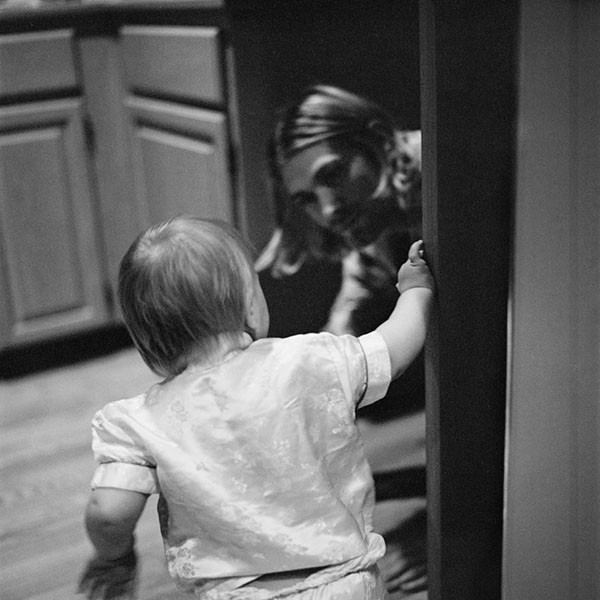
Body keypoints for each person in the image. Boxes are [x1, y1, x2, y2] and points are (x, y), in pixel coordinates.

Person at [78, 215, 434, 600]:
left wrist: (114, 558)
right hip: (344, 584)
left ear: (146, 342)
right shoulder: (311, 361)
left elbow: (109, 512)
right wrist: (416, 292)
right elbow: (391, 351)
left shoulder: (140, 422)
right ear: (249, 306)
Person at [256, 85, 427, 597]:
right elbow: (343, 329)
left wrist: (453, 529)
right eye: (306, 199)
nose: (327, 211)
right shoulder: (372, 227)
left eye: (332, 175)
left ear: (377, 141)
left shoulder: (447, 173)